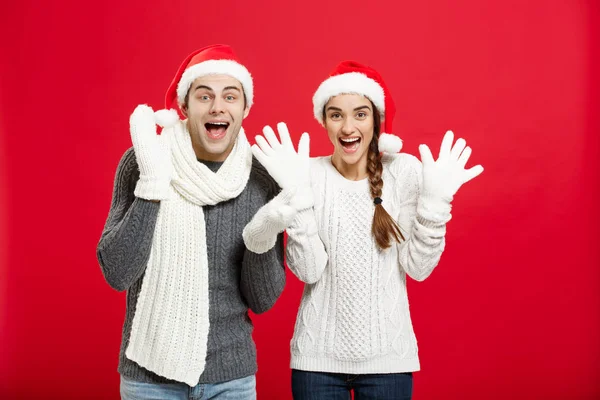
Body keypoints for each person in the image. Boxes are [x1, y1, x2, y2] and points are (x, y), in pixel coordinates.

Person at [243, 60, 484, 399]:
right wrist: (295, 195)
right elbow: (309, 271)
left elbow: (419, 268)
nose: (347, 126)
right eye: (336, 114)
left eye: (360, 113)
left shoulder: (404, 172)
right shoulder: (306, 172)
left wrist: (435, 205)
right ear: (323, 121)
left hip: (388, 362)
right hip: (317, 363)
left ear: (376, 120)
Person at [97, 44, 286, 400]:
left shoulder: (264, 176)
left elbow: (262, 300)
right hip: (148, 378)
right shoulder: (143, 160)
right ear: (184, 107)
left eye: (230, 96)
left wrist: (263, 235)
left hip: (231, 377)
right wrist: (152, 185)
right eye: (204, 96)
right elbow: (117, 272)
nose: (217, 106)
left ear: (245, 108)